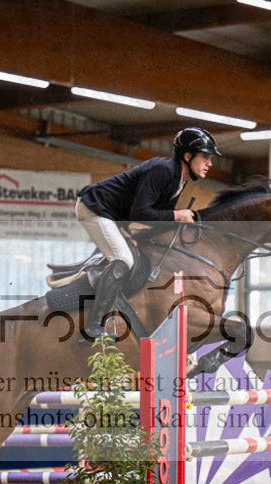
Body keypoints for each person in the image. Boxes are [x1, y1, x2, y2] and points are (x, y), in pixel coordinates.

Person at [75, 127, 221, 338]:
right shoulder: (163, 171)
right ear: (188, 156)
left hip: (114, 216)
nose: (210, 164)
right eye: (205, 157)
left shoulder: (179, 179)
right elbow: (140, 213)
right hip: (94, 208)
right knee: (123, 259)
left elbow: (155, 217)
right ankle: (92, 327)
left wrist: (179, 221)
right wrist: (176, 216)